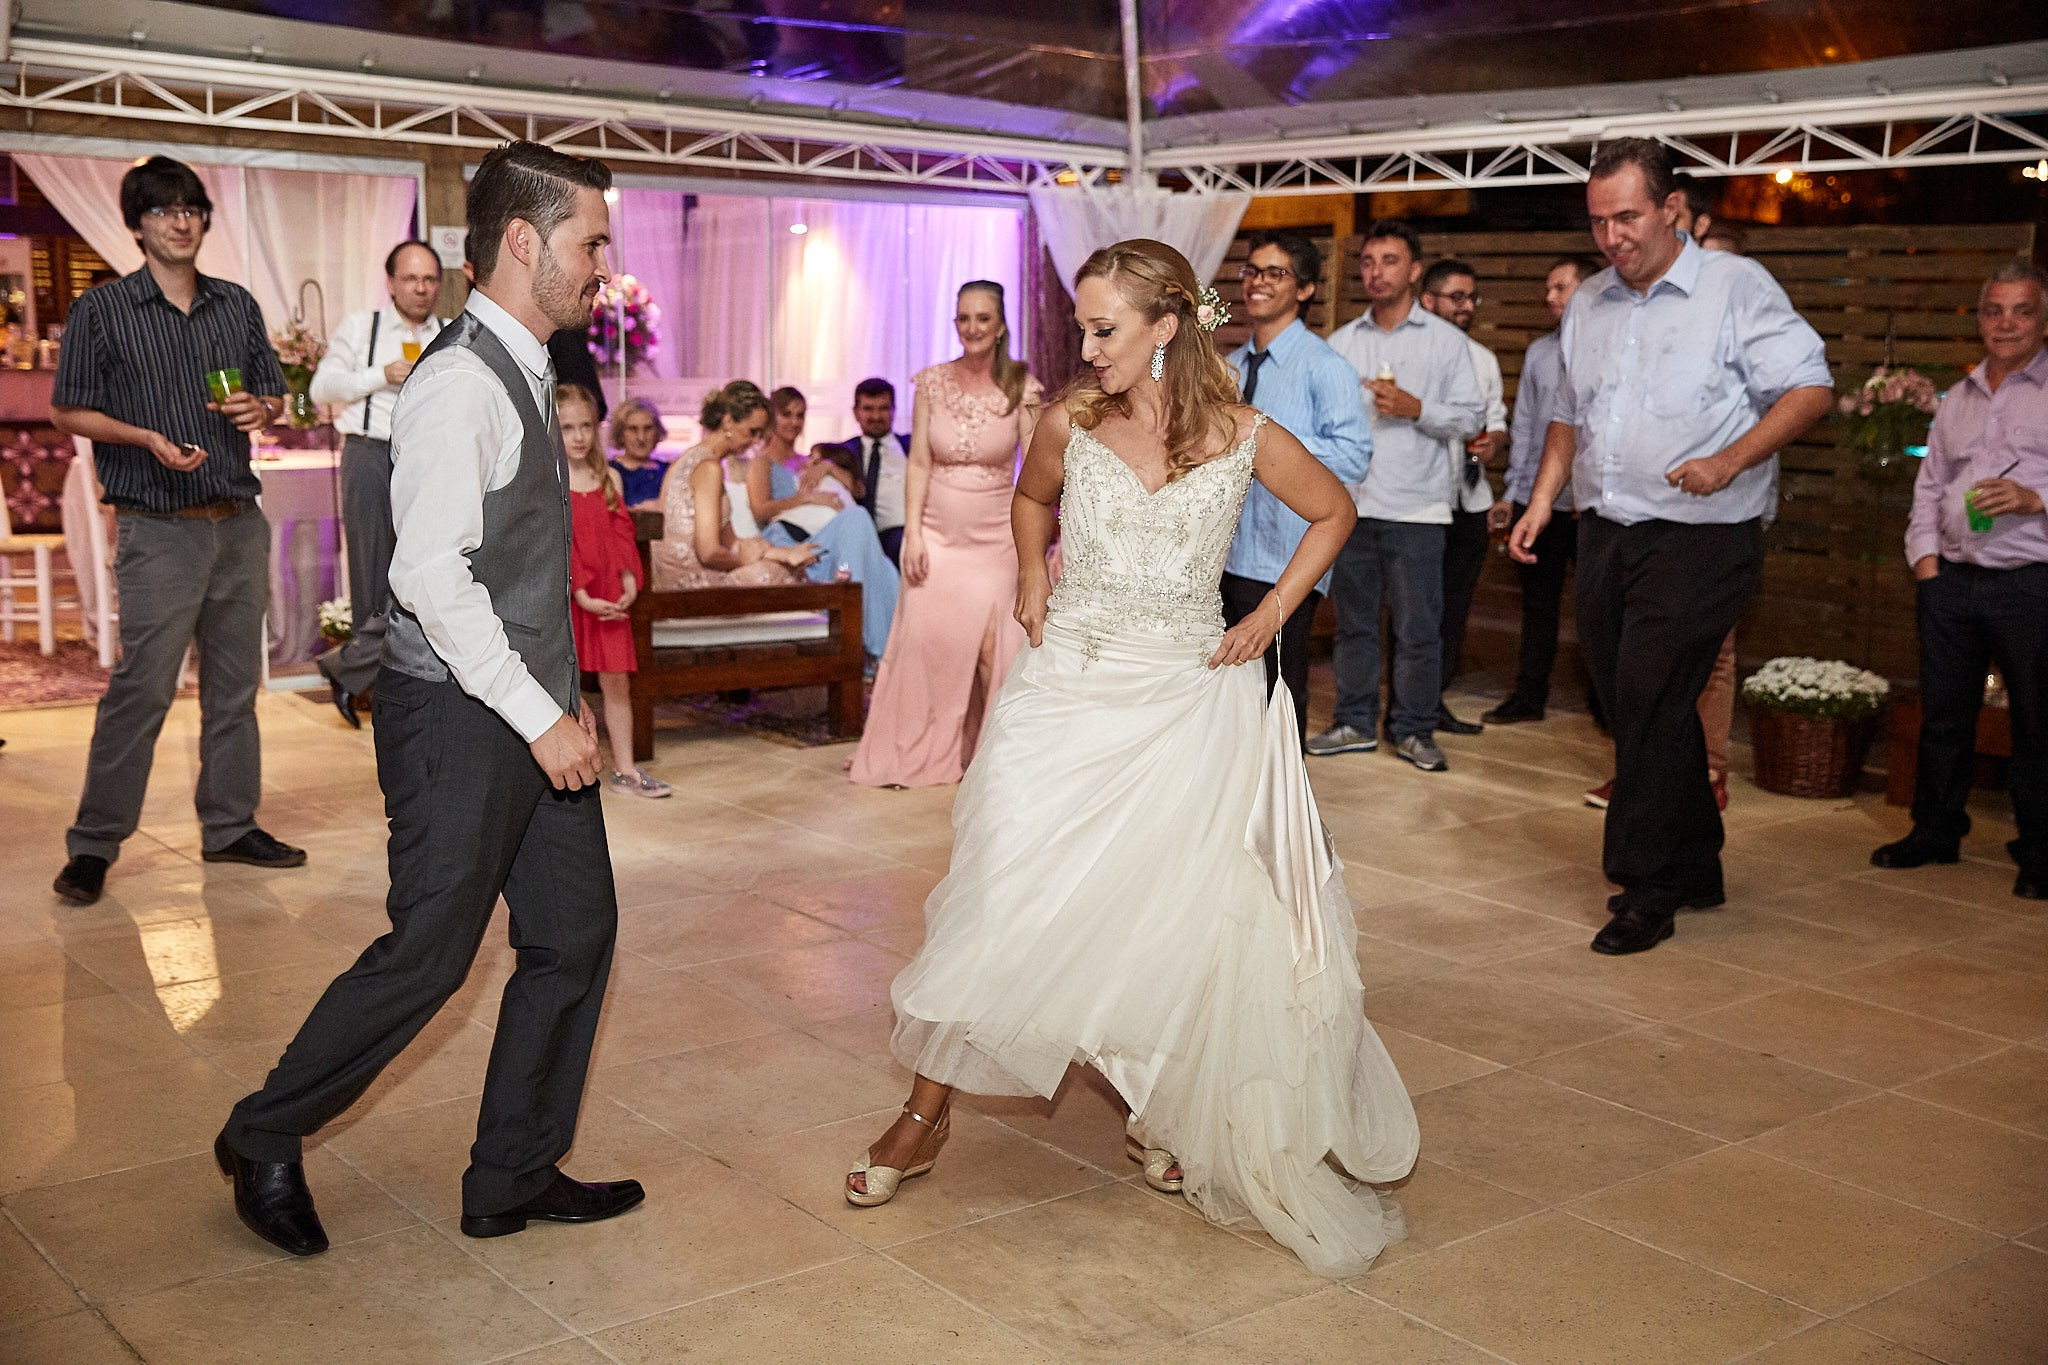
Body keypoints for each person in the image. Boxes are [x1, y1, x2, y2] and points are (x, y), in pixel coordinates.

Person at [843, 239, 1417, 1278]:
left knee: (1172, 919)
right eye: (1081, 326)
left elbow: (1333, 511)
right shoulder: (1071, 420)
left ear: (1166, 326)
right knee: (1003, 893)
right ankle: (923, 1116)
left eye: (1106, 328)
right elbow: (1031, 501)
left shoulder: (1243, 433)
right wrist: (1028, 572)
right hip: (1068, 694)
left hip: (1187, 700)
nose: (1087, 345)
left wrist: (1273, 615)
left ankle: (1163, 1112)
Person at [217, 141, 643, 1257]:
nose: (603, 261)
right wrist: (540, 713)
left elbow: (521, 560)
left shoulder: (525, 366)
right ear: (521, 241)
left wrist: (565, 698)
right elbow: (428, 576)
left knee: (573, 933)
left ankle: (511, 1170)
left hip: (524, 702)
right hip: (457, 716)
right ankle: (262, 1131)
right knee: (432, 952)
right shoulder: (459, 383)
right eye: (589, 240)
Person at [1509, 137, 1833, 956]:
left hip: (1706, 535)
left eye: (1628, 217)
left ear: (1671, 209)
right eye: (1599, 221)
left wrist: (1729, 461)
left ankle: (1644, 885)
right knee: (1630, 698)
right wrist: (1543, 501)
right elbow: (1566, 417)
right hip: (1609, 529)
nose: (1613, 236)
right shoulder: (1588, 302)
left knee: (1650, 691)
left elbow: (1810, 387)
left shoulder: (1734, 287)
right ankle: (1698, 860)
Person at [50, 155, 303, 908]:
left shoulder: (236, 304)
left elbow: (278, 394)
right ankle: (94, 844)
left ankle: (229, 824)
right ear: (137, 226)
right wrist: (144, 437)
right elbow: (68, 409)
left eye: (191, 207)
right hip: (157, 526)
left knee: (233, 691)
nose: (181, 220)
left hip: (238, 522)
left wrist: (266, 409)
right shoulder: (102, 310)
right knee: (142, 689)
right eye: (163, 210)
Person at [1872, 260, 2047, 901]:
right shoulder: (1959, 396)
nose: (2005, 323)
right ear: (1979, 320)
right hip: (1951, 582)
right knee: (1944, 718)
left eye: (2021, 310)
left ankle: (2040, 852)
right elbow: (1932, 483)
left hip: (2032, 581)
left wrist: (2036, 499)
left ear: (2042, 318)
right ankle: (1935, 833)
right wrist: (1925, 563)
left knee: (2037, 722)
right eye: (1994, 310)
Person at [849, 281, 1041, 788]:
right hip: (937, 536)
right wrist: (913, 533)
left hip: (998, 537)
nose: (972, 328)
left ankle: (993, 757)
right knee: (929, 644)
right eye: (963, 318)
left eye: (982, 318)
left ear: (1000, 325)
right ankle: (918, 750)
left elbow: (1040, 470)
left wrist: (1036, 547)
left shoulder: (1022, 385)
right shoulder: (930, 383)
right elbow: (918, 462)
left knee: (993, 649)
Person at [1314, 219, 1485, 772]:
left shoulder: (1448, 341)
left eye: (1389, 261)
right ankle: (1355, 722)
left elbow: (1470, 417)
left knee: (1417, 630)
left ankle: (1413, 729)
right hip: (1353, 507)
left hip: (1418, 509)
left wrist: (1417, 409)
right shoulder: (1340, 344)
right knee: (1355, 624)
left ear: (1413, 270)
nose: (1376, 272)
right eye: (1367, 261)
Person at [1222, 230, 1373, 745]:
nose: (1258, 283)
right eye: (1252, 271)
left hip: (1284, 559)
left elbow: (1355, 456)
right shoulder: (1232, 367)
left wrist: (1274, 446)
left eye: (1274, 273)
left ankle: (1281, 816)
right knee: (1225, 700)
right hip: (1224, 554)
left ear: (1305, 290)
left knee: (1275, 700)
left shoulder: (1325, 366)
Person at [308, 239, 446, 727]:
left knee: (424, 577)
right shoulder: (362, 328)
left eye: (430, 279)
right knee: (371, 578)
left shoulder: (449, 332)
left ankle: (347, 668)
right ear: (391, 283)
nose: (421, 288)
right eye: (411, 278)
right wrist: (379, 374)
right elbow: (320, 388)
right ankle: (383, 693)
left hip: (427, 462)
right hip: (369, 453)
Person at [1484, 256, 1599, 726]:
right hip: (1545, 505)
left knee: (1600, 611)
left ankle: (1606, 706)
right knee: (1538, 606)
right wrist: (1517, 495)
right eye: (1547, 288)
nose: (1550, 297)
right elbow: (1529, 431)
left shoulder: (1609, 348)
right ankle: (1528, 697)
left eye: (1560, 287)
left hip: (1596, 508)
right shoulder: (1539, 353)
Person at [559, 382, 669, 799]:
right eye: (568, 427)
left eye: (586, 425)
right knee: (563, 685)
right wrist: (581, 593)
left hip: (608, 594)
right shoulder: (551, 479)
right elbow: (562, 543)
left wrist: (627, 580)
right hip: (573, 597)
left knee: (617, 684)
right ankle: (567, 771)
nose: (579, 436)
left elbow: (621, 534)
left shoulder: (609, 478)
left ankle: (625, 769)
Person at [1416, 256, 1507, 736]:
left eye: (1472, 298)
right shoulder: (1410, 355)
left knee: (1453, 608)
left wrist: (1494, 439)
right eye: (1457, 297)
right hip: (1419, 502)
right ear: (1428, 300)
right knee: (1419, 611)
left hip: (1469, 501)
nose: (1467, 306)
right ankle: (1411, 703)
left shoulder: (1482, 359)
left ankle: (1433, 701)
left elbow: (1495, 420)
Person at [745, 384, 901, 659]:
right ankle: (873, 651)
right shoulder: (762, 462)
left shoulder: (808, 460)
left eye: (800, 415)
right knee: (857, 517)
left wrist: (828, 467)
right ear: (772, 417)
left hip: (825, 539)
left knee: (886, 568)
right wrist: (807, 499)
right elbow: (761, 510)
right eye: (787, 414)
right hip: (790, 540)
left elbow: (856, 490)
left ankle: (886, 655)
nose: (794, 422)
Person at [650, 380, 819, 590]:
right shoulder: (708, 468)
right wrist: (748, 561)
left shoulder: (687, 459)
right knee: (779, 575)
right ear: (728, 422)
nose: (756, 440)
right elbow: (709, 552)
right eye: (752, 431)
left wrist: (784, 553)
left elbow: (730, 541)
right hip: (687, 582)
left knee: (786, 566)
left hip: (674, 577)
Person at [819, 378, 910, 564]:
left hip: (910, 533)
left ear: (894, 411)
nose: (876, 416)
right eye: (868, 409)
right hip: (863, 537)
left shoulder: (912, 446)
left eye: (883, 408)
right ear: (856, 412)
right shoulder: (841, 452)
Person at [607, 395, 670, 508]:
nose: (641, 438)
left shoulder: (669, 471)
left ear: (658, 431)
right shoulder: (607, 471)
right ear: (620, 433)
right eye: (633, 429)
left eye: (648, 428)